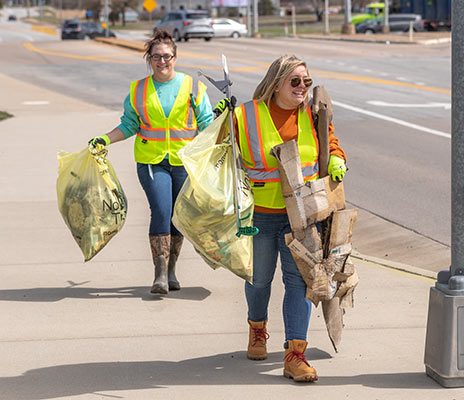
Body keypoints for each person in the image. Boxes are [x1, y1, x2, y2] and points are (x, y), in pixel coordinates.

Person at [226, 55, 347, 382]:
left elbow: (330, 143)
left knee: (299, 283)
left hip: (303, 219)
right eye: (295, 81)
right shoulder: (245, 115)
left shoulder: (313, 113)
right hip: (261, 216)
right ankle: (257, 327)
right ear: (276, 82)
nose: (302, 88)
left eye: (306, 82)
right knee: (260, 280)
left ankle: (295, 354)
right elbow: (221, 152)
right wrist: (218, 121)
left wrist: (337, 158)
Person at [88, 30, 213, 295]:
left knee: (177, 218)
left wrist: (223, 118)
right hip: (151, 161)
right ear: (149, 59)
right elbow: (129, 124)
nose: (162, 61)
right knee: (161, 210)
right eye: (156, 57)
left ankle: (171, 270)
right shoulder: (139, 89)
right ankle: (159, 274)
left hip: (184, 162)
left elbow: (208, 125)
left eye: (167, 56)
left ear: (175, 58)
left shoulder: (193, 87)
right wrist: (105, 139)